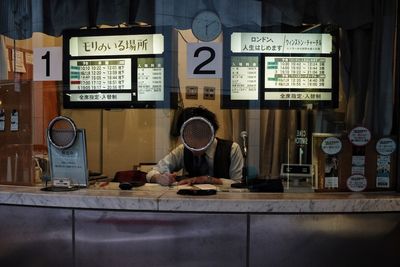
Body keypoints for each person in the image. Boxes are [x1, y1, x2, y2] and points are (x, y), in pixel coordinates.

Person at [146, 106, 244, 186]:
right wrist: (159, 178)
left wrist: (207, 179)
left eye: (200, 135)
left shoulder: (232, 149)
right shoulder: (182, 150)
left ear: (212, 133)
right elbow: (152, 172)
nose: (195, 141)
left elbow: (238, 183)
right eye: (189, 135)